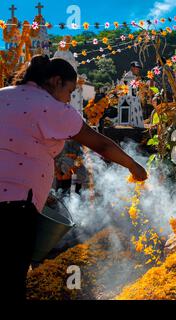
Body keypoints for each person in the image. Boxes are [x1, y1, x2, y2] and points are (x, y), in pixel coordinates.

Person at [0, 55, 147, 300]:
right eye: (69, 90)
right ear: (56, 81)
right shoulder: (52, 107)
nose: (69, 98)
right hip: (15, 207)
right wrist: (133, 166)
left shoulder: (3, 94)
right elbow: (101, 145)